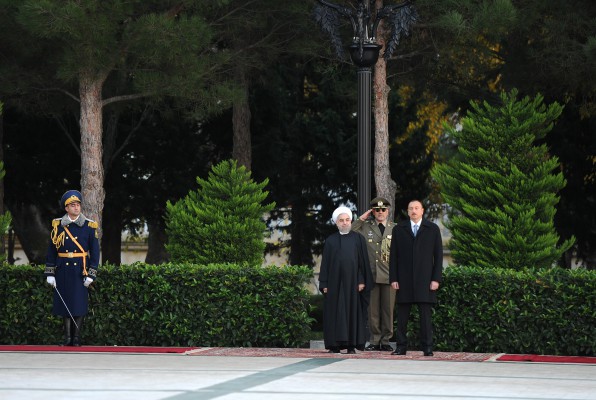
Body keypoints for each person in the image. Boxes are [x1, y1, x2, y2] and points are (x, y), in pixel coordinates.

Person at [44, 190, 100, 346]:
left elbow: (95, 253)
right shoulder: (58, 225)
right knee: (65, 303)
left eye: (78, 205)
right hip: (63, 269)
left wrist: (92, 274)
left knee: (79, 303)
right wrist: (50, 272)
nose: (76, 208)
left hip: (80, 270)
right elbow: (51, 250)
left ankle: (76, 339)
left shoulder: (89, 226)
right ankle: (67, 338)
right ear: (66, 208)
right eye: (73, 205)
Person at [389, 200, 443, 356]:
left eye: (416, 208)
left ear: (422, 210)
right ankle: (401, 347)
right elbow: (394, 256)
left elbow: (438, 256)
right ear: (407, 211)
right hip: (404, 279)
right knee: (402, 317)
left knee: (425, 317)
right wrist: (394, 278)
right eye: (411, 208)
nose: (414, 211)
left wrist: (436, 279)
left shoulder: (432, 229)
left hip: (425, 280)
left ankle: (427, 347)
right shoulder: (399, 229)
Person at [319, 206, 374, 354]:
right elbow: (325, 264)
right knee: (334, 313)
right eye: (341, 220)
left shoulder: (359, 239)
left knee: (352, 313)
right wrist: (324, 284)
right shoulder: (331, 241)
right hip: (334, 284)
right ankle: (334, 345)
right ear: (336, 223)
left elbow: (363, 263)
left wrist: (361, 280)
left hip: (353, 285)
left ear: (351, 221)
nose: (345, 223)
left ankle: (351, 345)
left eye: (347, 220)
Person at [351, 197, 396, 352]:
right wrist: (361, 219)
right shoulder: (366, 227)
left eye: (383, 210)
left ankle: (386, 340)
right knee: (373, 311)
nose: (380, 213)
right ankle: (375, 340)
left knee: (388, 310)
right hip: (371, 274)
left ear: (388, 211)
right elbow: (350, 232)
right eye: (377, 210)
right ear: (373, 212)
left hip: (389, 275)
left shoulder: (394, 228)